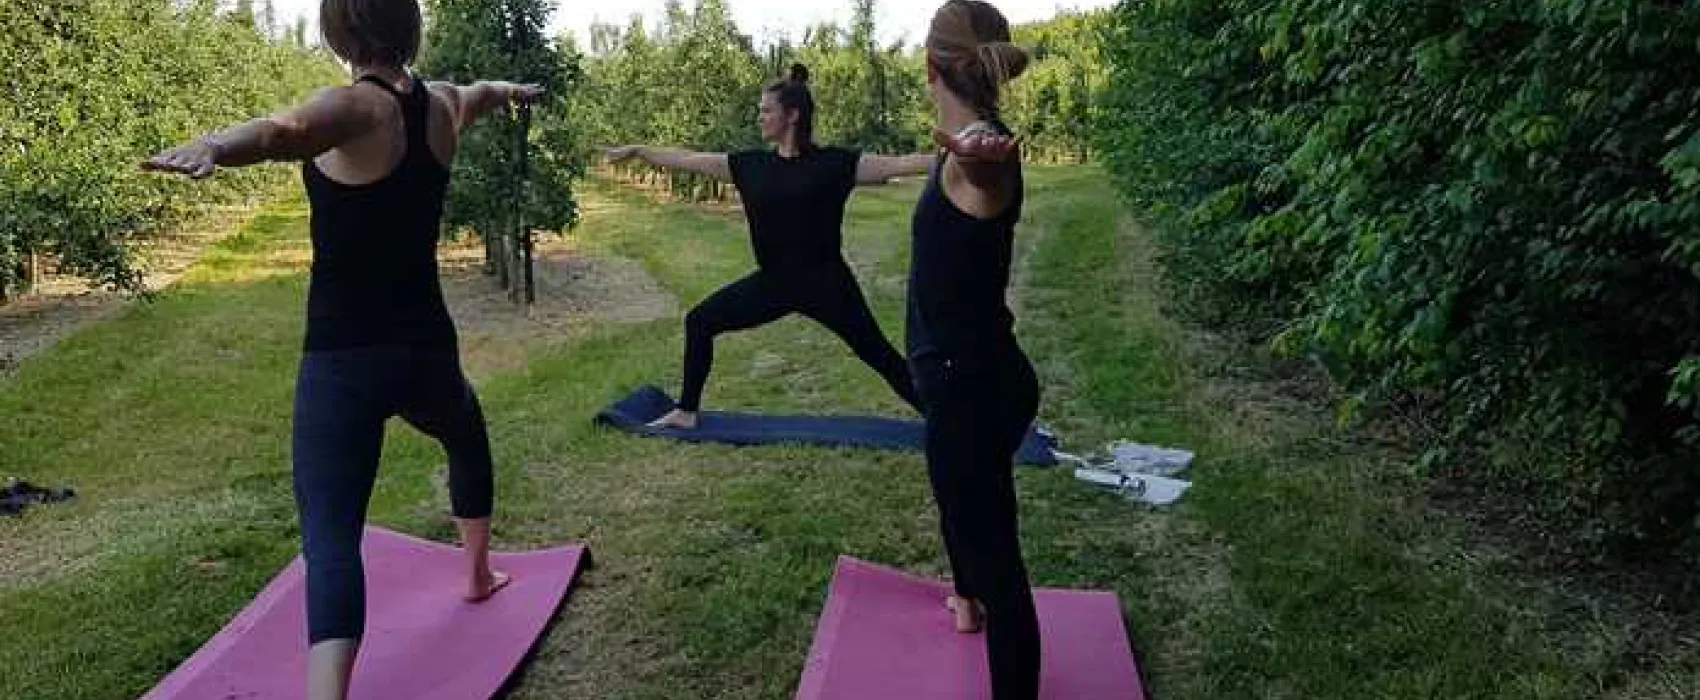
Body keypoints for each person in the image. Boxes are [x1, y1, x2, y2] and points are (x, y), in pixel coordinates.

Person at [140, 1, 541, 697]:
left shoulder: (355, 106)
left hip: (342, 357)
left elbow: (283, 132)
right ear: (410, 26)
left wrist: (215, 145)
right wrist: (514, 91)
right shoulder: (446, 103)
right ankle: (478, 575)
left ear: (340, 33)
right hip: (425, 346)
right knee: (466, 436)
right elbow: (485, 91)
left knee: (331, 536)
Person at [602, 64, 935, 430]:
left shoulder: (833, 164)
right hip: (774, 283)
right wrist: (638, 150)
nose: (759, 117)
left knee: (880, 355)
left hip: (827, 284)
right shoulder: (751, 166)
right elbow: (688, 159)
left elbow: (899, 164)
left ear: (792, 116)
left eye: (766, 110)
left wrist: (958, 154)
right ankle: (686, 411)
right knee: (700, 321)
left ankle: (945, 421)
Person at [906, 2, 1039, 698]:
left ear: (931, 67)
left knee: (998, 561)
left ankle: (986, 609)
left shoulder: (980, 156)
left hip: (974, 392)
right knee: (957, 501)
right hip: (966, 383)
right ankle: (966, 602)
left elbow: (986, 182)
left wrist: (983, 161)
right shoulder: (956, 146)